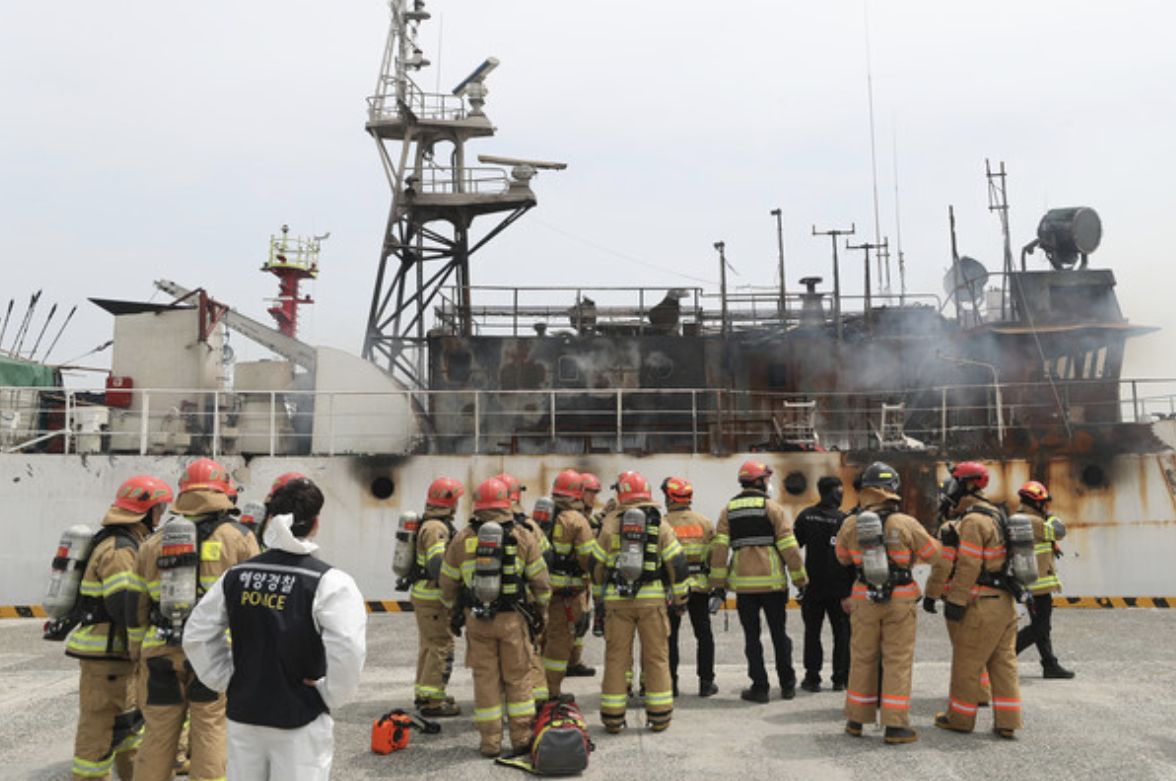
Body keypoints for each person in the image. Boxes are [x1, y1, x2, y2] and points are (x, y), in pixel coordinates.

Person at [183, 476, 367, 781]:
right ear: (315, 522)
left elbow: (197, 634)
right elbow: (348, 649)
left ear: (271, 518)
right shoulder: (329, 582)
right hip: (300, 718)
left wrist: (228, 679)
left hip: (244, 714)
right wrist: (329, 693)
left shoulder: (236, 576)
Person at [130, 458, 259, 781]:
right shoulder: (240, 538)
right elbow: (253, 604)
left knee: (157, 733)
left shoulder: (153, 543)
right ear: (222, 494)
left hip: (160, 649)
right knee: (211, 728)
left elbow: (136, 604)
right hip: (213, 653)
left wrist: (137, 649)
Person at [65, 475, 172, 781]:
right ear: (146, 510)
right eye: (159, 509)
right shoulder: (120, 549)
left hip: (117, 657)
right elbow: (124, 605)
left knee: (128, 728)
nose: (161, 515)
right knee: (98, 733)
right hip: (107, 657)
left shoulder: (128, 542)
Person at [440, 478, 551, 758]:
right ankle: (521, 738)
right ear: (507, 503)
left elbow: (448, 582)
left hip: (477, 621)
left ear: (478, 505)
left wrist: (453, 612)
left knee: (485, 679)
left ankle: (490, 743)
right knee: (518, 678)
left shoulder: (463, 537)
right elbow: (540, 580)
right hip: (514, 620)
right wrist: (543, 610)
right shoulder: (523, 534)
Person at [835, 463, 941, 744]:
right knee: (897, 660)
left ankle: (856, 721)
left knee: (861, 658)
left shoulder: (850, 523)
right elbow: (933, 554)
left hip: (863, 598)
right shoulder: (905, 522)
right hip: (900, 599)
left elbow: (842, 558)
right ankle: (895, 726)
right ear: (892, 489)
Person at [592, 470, 687, 734]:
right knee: (656, 658)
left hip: (616, 602)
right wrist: (680, 598)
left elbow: (595, 564)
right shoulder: (660, 523)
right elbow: (677, 563)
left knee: (616, 659)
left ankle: (612, 719)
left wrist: (598, 597)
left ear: (621, 494)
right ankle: (659, 718)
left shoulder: (611, 523)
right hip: (652, 602)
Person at [934, 461, 1023, 739]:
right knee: (1003, 664)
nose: (951, 489)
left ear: (969, 485)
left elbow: (969, 565)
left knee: (966, 663)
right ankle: (1008, 722)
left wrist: (956, 601)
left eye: (955, 483)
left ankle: (959, 719)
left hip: (982, 603)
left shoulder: (972, 520)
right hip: (1005, 603)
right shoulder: (996, 513)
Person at [709, 460, 807, 703]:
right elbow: (789, 547)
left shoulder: (728, 510)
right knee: (779, 634)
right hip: (773, 586)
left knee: (751, 637)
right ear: (760, 481)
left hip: (744, 587)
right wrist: (800, 580)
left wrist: (718, 587)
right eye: (766, 478)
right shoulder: (772, 508)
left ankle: (760, 688)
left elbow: (720, 551)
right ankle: (787, 685)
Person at [539, 469, 596, 700]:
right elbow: (587, 558)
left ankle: (535, 686)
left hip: (542, 589)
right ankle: (551, 692)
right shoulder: (576, 520)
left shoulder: (542, 515)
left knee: (541, 638)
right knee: (559, 643)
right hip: (566, 594)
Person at [410, 476, 465, 717]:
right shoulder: (437, 528)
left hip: (424, 595)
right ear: (450, 501)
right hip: (433, 596)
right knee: (441, 646)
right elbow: (436, 565)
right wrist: (453, 588)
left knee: (429, 646)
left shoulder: (430, 523)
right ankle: (433, 702)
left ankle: (425, 693)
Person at [793, 475, 853, 693]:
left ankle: (812, 678)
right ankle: (841, 678)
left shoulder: (806, 517)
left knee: (812, 633)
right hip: (839, 589)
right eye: (840, 491)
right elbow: (852, 560)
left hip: (812, 586)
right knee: (842, 634)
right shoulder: (844, 520)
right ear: (833, 492)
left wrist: (799, 579)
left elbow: (793, 547)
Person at [661, 476, 718, 698]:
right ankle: (706, 683)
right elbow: (714, 556)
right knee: (703, 634)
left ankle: (671, 684)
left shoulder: (663, 523)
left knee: (670, 636)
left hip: (672, 589)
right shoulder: (704, 523)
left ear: (669, 497)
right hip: (700, 587)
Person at [1014, 480, 1075, 679]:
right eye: (1044, 502)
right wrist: (1048, 516)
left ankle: (1049, 664)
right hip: (1038, 586)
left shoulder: (1018, 518)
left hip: (1029, 584)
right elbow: (1060, 531)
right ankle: (1005, 656)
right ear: (1036, 503)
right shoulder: (1036, 521)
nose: (1046, 506)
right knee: (1040, 627)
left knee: (1041, 627)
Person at [565, 471, 604, 678]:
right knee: (567, 622)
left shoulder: (587, 515)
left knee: (581, 620)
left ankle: (574, 660)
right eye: (592, 492)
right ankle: (563, 662)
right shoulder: (574, 516)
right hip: (574, 576)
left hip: (585, 577)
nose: (594, 497)